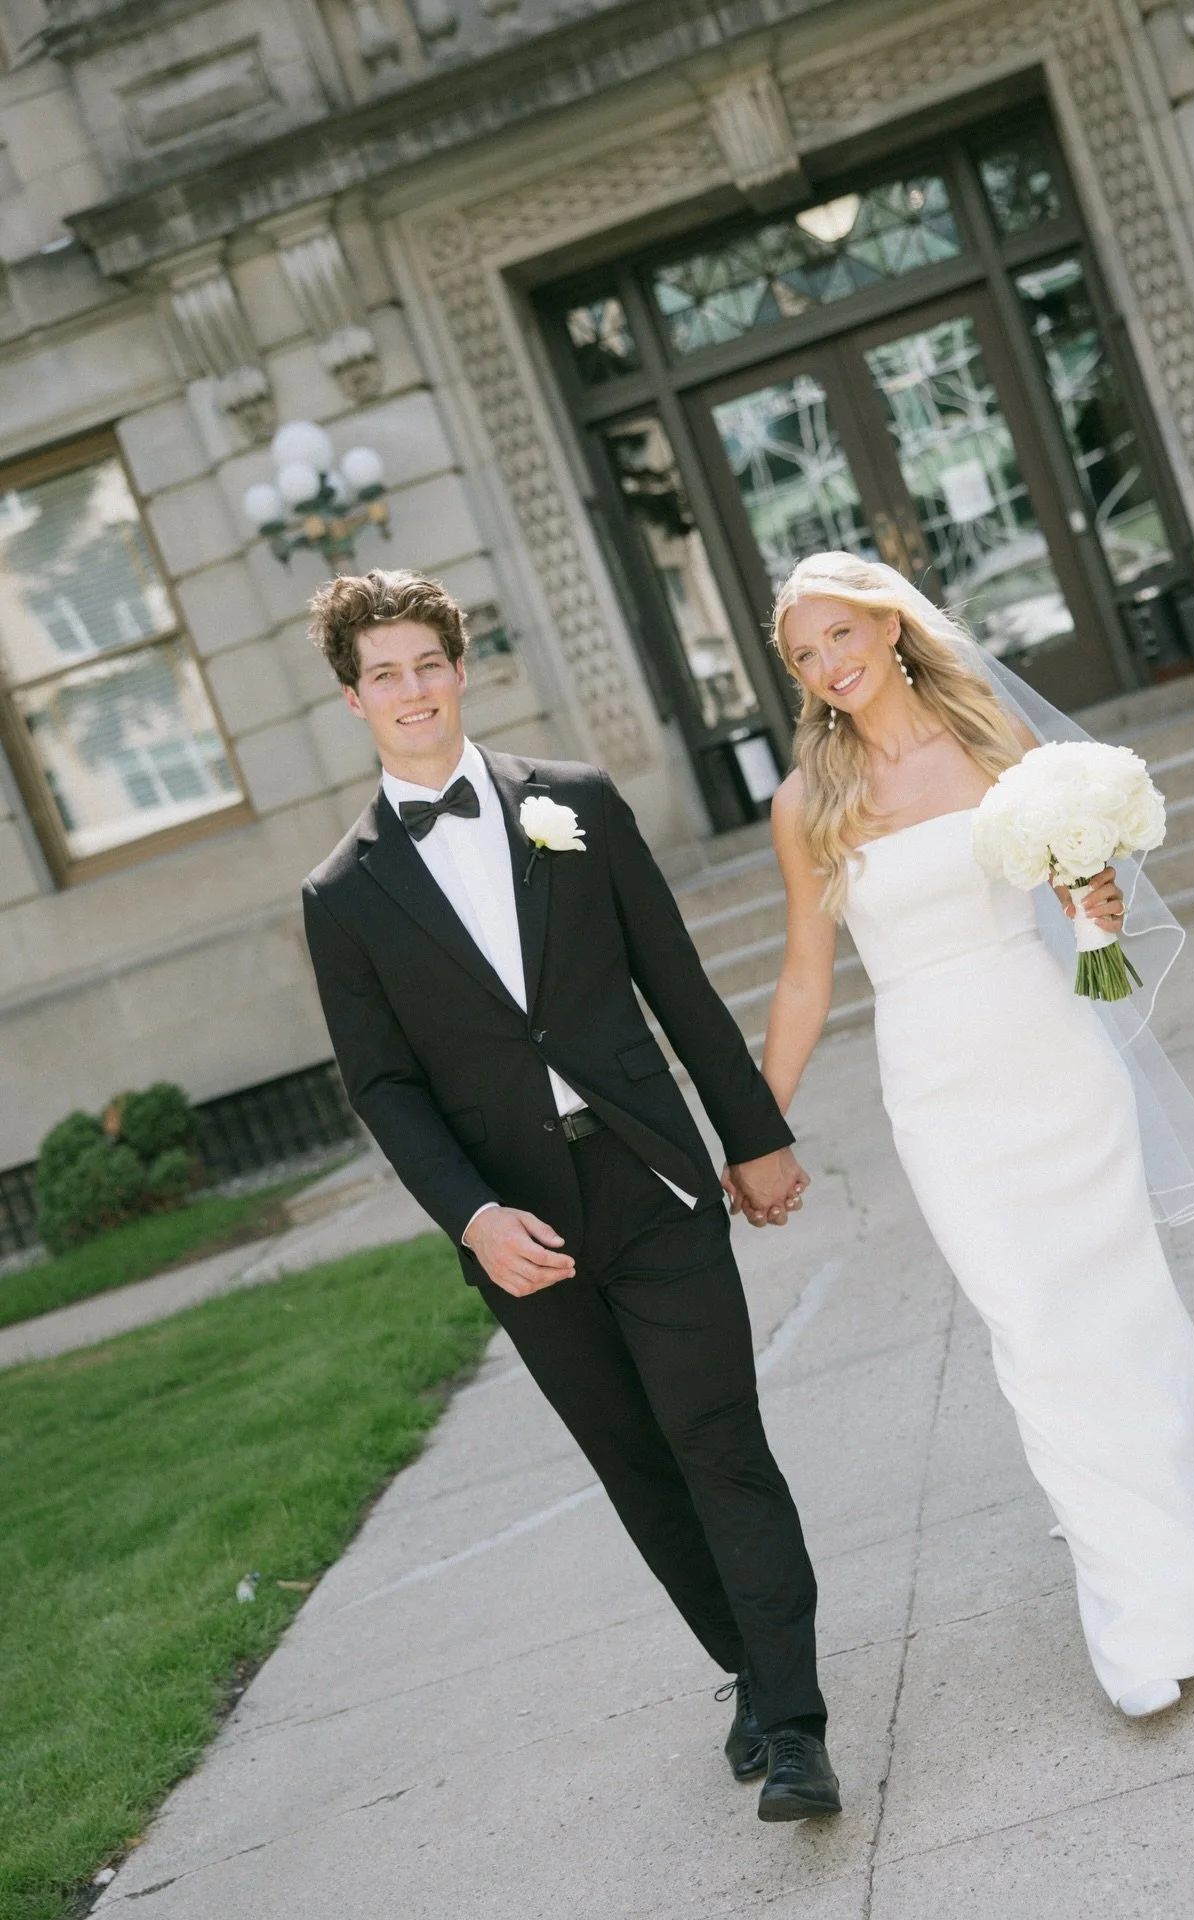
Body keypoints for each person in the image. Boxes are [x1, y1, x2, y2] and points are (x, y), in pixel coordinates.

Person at [300, 568, 840, 1819]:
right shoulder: (341, 896)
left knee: (719, 1442)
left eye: (428, 663)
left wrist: (753, 1135)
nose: (412, 690)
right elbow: (384, 1090)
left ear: (461, 668)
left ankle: (799, 1722)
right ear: (354, 700)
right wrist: (474, 1221)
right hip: (521, 1230)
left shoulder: (577, 805)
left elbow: (677, 983)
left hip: (651, 1180)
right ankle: (749, 1675)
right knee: (638, 1464)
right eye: (385, 674)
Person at [759, 550, 1194, 1719]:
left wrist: (1096, 899)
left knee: (1121, 1305)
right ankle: (1143, 1609)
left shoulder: (988, 737)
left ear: (890, 627)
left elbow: (1077, 886)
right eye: (806, 656)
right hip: (939, 1088)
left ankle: (1188, 1546)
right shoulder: (809, 801)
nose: (830, 667)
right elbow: (808, 979)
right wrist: (758, 1123)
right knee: (1035, 1333)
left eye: (840, 638)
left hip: (1052, 1056)